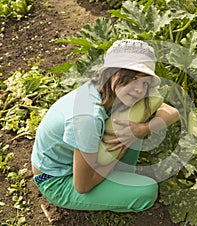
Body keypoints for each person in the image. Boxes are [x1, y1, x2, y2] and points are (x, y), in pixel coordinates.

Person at [31, 39, 180, 212]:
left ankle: (115, 179)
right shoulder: (88, 118)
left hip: (84, 163)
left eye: (145, 83)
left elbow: (172, 112)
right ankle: (114, 181)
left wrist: (142, 129)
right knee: (147, 191)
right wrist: (118, 154)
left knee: (133, 126)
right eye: (131, 78)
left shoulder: (107, 91)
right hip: (58, 180)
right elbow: (82, 186)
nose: (139, 89)